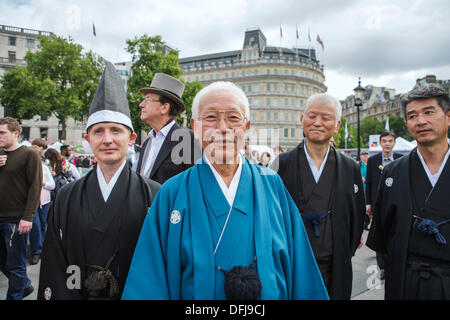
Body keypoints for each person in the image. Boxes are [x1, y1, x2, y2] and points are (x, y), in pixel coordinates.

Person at [122, 81, 328, 300]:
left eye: (233, 118)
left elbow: (302, 271)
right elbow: (149, 278)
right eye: (210, 118)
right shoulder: (171, 193)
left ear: (246, 127)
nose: (222, 128)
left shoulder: (273, 185)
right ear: (194, 126)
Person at [37, 62, 160, 300]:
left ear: (131, 138)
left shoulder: (153, 194)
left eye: (116, 130)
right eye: (98, 131)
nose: (107, 139)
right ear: (88, 139)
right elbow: (55, 260)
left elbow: (158, 264)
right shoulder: (66, 195)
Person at [271, 93, 366, 300]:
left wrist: (342, 250)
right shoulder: (281, 163)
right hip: (292, 264)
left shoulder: (350, 167)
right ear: (301, 119)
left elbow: (356, 216)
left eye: (326, 118)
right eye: (312, 116)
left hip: (335, 265)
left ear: (337, 125)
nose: (317, 123)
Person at [367, 86, 450, 300]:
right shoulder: (393, 171)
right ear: (407, 124)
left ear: (448, 117)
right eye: (413, 116)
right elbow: (382, 235)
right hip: (404, 279)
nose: (420, 121)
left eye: (429, 112)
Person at [0, 117, 43, 300]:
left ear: (15, 133)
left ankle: (15, 295)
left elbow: (36, 186)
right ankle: (24, 284)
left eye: (2, 132)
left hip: (16, 219)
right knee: (3, 263)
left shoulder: (29, 154)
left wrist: (28, 216)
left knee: (16, 264)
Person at [136, 73, 201, 184]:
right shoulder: (147, 143)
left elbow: (196, 183)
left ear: (164, 107)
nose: (141, 105)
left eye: (148, 99)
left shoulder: (188, 139)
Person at [365, 131, 403, 279]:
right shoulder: (373, 161)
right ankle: (382, 267)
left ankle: (394, 264)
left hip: (396, 203)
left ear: (394, 143)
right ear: (380, 143)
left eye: (390, 141)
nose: (387, 143)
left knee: (395, 234)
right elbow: (368, 183)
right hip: (377, 204)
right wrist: (368, 202)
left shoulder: (401, 159)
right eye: (385, 141)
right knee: (379, 234)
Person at [29, 140, 55, 266]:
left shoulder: (44, 168)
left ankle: (44, 249)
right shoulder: (26, 167)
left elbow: (52, 185)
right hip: (30, 202)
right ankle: (36, 251)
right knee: (35, 226)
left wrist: (44, 184)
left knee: (43, 226)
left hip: (44, 201)